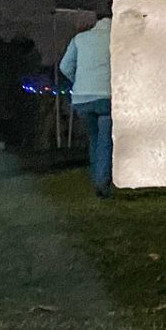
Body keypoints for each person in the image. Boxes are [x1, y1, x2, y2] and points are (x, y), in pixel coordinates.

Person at [59, 14, 113, 197]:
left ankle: (96, 177)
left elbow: (64, 66)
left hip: (82, 98)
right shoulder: (117, 39)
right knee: (106, 140)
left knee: (94, 138)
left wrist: (78, 81)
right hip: (107, 96)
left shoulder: (80, 39)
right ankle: (102, 182)